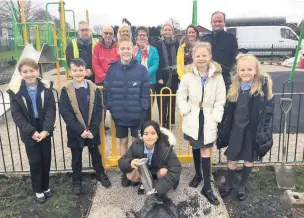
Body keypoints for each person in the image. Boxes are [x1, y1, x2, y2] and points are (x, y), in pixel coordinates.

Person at [217, 54, 274, 201]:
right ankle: (230, 183)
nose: (246, 72)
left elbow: (268, 109)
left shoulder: (262, 87)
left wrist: (264, 127)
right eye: (242, 70)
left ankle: (242, 185)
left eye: (249, 69)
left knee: (249, 158)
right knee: (232, 159)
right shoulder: (234, 86)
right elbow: (229, 110)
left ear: (256, 70)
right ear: (238, 71)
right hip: (236, 129)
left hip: (251, 130)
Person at [176, 42, 226, 205]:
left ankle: (207, 187)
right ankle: (198, 174)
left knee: (205, 149)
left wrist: (216, 116)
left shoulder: (217, 76)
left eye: (204, 55)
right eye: (198, 55)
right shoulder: (188, 75)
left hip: (209, 116)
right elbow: (181, 95)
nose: (201, 58)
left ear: (210, 56)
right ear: (193, 57)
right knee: (196, 145)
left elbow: (220, 99)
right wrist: (186, 111)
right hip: (193, 115)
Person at [59, 58, 111, 195]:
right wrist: (80, 130)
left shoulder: (93, 88)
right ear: (70, 72)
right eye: (75, 70)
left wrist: (93, 129)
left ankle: (100, 174)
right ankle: (77, 180)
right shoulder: (65, 90)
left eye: (81, 70)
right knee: (76, 157)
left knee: (95, 154)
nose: (78, 73)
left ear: (86, 71)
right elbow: (66, 113)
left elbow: (99, 110)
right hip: (76, 131)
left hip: (92, 131)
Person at [7, 58, 56, 203]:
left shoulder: (46, 87)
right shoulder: (15, 91)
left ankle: (46, 186)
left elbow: (51, 109)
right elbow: (17, 114)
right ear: (21, 74)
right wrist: (31, 132)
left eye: (32, 70)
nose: (29, 74)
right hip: (29, 130)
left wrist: (46, 130)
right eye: (25, 72)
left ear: (37, 71)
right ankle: (38, 189)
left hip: (44, 129)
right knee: (35, 161)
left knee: (46, 158)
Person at [103, 37, 150, 187]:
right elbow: (107, 91)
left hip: (137, 115)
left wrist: (143, 109)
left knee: (136, 143)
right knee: (123, 142)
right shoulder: (112, 69)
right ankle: (125, 171)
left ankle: (136, 172)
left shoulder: (141, 70)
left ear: (133, 50)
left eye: (128, 48)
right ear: (118, 50)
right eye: (122, 48)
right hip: (120, 115)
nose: (125, 51)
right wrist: (111, 107)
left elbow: (145, 92)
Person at [119, 120, 181, 196]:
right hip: (145, 172)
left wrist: (159, 188)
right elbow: (122, 161)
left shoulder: (165, 147)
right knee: (130, 174)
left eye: (153, 133)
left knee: (164, 172)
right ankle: (144, 182)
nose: (149, 137)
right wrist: (130, 162)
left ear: (158, 135)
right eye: (146, 134)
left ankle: (158, 184)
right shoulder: (136, 145)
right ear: (141, 136)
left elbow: (176, 169)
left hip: (158, 172)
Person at [202, 11, 238, 89]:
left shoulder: (230, 38)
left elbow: (234, 59)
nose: (217, 23)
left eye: (220, 21)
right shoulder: (204, 39)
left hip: (225, 80)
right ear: (211, 23)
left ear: (224, 23)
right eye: (215, 21)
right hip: (207, 79)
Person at [155, 23, 180, 128]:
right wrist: (159, 76)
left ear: (172, 31)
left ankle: (170, 121)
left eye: (169, 30)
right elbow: (158, 61)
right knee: (162, 99)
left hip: (174, 75)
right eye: (165, 30)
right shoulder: (158, 44)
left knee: (172, 99)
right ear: (162, 31)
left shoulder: (177, 43)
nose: (167, 31)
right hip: (162, 75)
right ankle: (162, 121)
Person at [134, 26, 159, 121]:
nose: (141, 37)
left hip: (150, 82)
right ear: (136, 37)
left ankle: (147, 127)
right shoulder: (133, 50)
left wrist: (144, 74)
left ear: (147, 37)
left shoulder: (153, 50)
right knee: (137, 106)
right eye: (139, 35)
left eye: (144, 35)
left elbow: (155, 65)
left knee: (147, 106)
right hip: (136, 83)